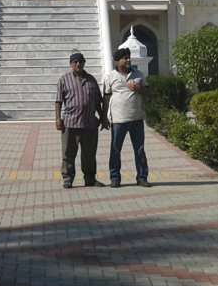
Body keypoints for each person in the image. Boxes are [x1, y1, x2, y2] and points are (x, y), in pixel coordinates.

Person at [54, 52, 105, 188]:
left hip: (89, 124)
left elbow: (98, 101)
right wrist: (58, 119)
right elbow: (58, 101)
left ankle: (90, 179)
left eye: (81, 61)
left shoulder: (91, 80)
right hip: (70, 123)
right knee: (68, 153)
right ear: (71, 64)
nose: (78, 64)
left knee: (89, 154)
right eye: (75, 62)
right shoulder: (64, 80)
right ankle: (68, 178)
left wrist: (103, 117)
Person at [102, 46, 150, 188]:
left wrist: (139, 89)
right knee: (115, 149)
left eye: (129, 57)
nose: (128, 60)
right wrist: (104, 118)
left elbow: (149, 92)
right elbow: (106, 98)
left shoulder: (138, 74)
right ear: (117, 61)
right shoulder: (110, 77)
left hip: (136, 118)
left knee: (139, 149)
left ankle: (142, 177)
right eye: (125, 58)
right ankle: (115, 178)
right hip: (118, 120)